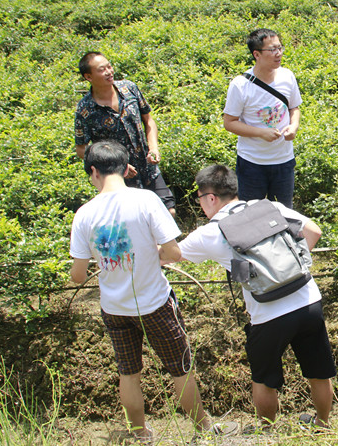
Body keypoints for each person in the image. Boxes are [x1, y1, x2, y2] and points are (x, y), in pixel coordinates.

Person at [69, 141, 227, 443]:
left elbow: (77, 276)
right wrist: (149, 253)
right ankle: (204, 429)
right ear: (125, 168)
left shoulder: (84, 214)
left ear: (94, 171)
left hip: (114, 308)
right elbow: (173, 252)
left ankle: (139, 433)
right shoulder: (146, 200)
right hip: (155, 304)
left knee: (128, 373)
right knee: (180, 369)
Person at [178, 164, 335, 430]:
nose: (201, 205)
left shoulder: (210, 232)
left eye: (200, 199)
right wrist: (290, 267)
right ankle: (322, 423)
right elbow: (314, 232)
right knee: (318, 370)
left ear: (211, 198)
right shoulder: (269, 207)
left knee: (264, 378)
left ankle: (267, 429)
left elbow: (170, 255)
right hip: (307, 299)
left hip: (267, 314)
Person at [74, 52, 175, 216]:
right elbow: (81, 149)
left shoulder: (129, 88)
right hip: (119, 178)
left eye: (109, 66)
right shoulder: (85, 109)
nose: (109, 72)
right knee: (136, 219)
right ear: (88, 77)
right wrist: (115, 164)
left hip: (148, 166)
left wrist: (154, 148)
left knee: (169, 211)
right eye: (102, 70)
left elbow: (148, 120)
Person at [223, 28, 301, 208]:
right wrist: (260, 133)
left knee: (283, 212)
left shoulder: (287, 76)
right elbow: (229, 122)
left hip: (284, 160)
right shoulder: (240, 85)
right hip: (252, 163)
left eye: (280, 48)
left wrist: (294, 126)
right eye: (272, 50)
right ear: (256, 54)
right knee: (251, 213)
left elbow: (294, 108)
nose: (278, 53)